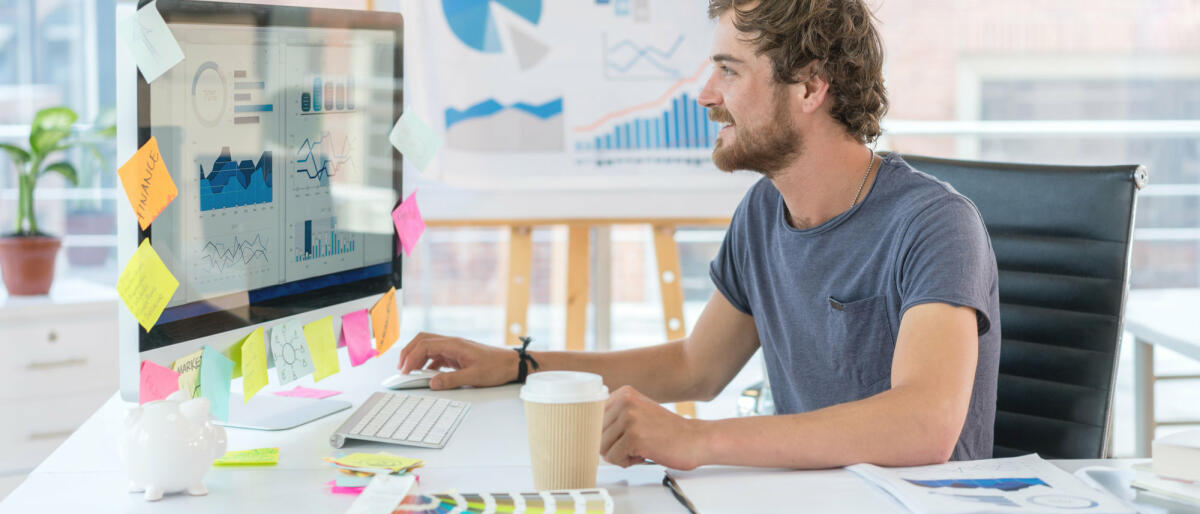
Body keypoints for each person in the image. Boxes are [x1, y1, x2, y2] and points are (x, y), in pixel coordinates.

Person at [398, 0, 1000, 471]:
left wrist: (698, 439)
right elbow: (695, 367)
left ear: (811, 87)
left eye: (729, 71)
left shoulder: (934, 225)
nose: (706, 95)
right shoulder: (766, 211)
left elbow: (926, 423)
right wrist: (520, 364)